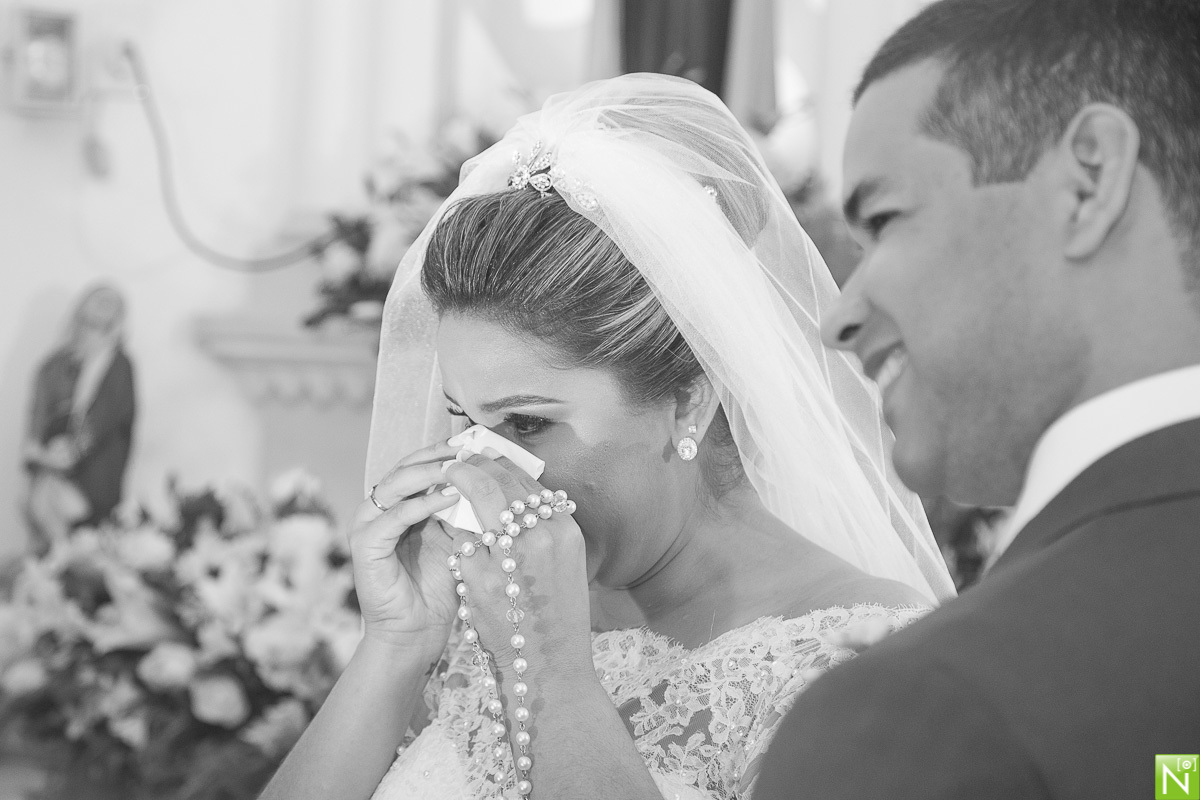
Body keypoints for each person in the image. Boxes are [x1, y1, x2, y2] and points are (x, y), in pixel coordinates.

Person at [259, 74, 954, 800]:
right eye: (465, 421)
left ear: (688, 401)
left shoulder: (851, 653)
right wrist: (397, 644)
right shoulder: (485, 623)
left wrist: (554, 668)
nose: (478, 468)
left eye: (527, 422)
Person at [756, 1, 1200, 797]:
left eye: (886, 220)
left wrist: (928, 701)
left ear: (1087, 182)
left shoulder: (925, 718)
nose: (839, 317)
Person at [23, 284, 136, 554]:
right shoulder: (58, 365)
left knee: (84, 537)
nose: (90, 333)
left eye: (100, 326)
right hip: (53, 465)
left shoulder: (119, 367)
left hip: (95, 473)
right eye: (86, 323)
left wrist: (74, 449)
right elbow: (41, 410)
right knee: (41, 509)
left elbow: (105, 417)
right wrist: (39, 447)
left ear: (114, 328)